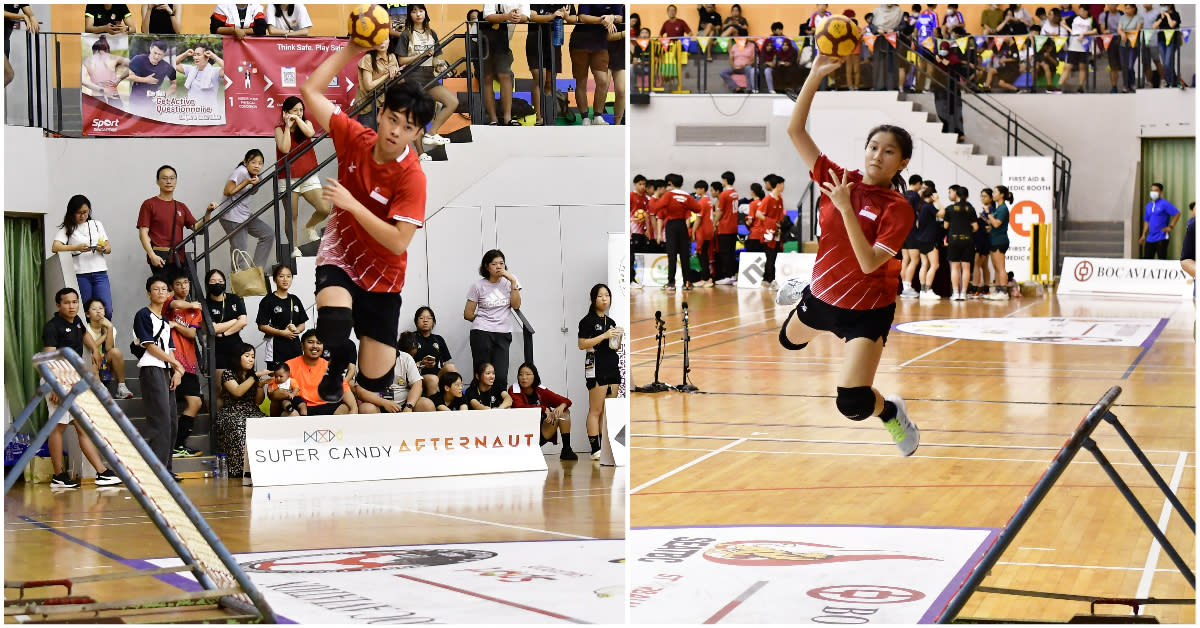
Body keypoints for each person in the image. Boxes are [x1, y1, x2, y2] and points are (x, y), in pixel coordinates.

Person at [773, 52, 920, 457]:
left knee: (852, 403)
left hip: (867, 309)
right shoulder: (842, 181)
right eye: (873, 146)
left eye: (888, 151)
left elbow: (871, 260)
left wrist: (843, 209)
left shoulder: (898, 207)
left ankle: (891, 411)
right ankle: (807, 288)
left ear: (902, 161)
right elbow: (795, 130)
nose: (877, 155)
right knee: (788, 342)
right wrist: (815, 75)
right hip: (823, 297)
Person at [299, 38, 436, 407]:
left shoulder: (412, 177)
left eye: (407, 127)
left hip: (383, 274)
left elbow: (398, 242)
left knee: (377, 379)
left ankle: (353, 361)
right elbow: (309, 90)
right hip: (342, 250)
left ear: (417, 133)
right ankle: (336, 358)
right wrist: (352, 50)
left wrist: (353, 206)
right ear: (380, 114)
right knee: (334, 320)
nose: (395, 131)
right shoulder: (355, 139)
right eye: (392, 119)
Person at [42, 288, 123, 488]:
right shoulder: (52, 327)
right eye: (67, 303)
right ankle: (59, 476)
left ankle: (102, 473)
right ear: (58, 305)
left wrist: (95, 349)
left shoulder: (77, 320)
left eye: (74, 302)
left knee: (83, 427)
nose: (71, 306)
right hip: (58, 380)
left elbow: (85, 333)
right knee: (58, 428)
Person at [134, 276, 184, 481]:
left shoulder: (164, 320)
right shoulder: (143, 315)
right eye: (156, 289)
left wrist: (176, 371)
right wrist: (174, 364)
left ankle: (166, 468)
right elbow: (150, 346)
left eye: (164, 289)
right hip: (151, 369)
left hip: (165, 370)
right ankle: (157, 470)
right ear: (148, 293)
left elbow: (170, 349)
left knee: (172, 421)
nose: (161, 292)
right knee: (160, 420)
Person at [137, 165, 217, 282]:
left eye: (172, 178)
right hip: (160, 258)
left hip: (179, 258)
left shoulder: (181, 206)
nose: (168, 181)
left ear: (176, 181)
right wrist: (152, 255)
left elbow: (197, 229)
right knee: (164, 293)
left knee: (179, 293)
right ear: (157, 181)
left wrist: (208, 213)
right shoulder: (149, 204)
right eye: (164, 178)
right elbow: (143, 233)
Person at [395, 4, 457, 147]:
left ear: (425, 13)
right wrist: (420, 55)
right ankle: (421, 153)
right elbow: (401, 60)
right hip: (411, 75)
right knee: (417, 113)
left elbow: (435, 58)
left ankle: (431, 133)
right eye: (414, 11)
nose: (418, 14)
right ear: (410, 15)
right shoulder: (406, 34)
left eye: (421, 11)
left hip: (429, 75)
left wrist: (439, 65)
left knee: (453, 102)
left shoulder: (432, 33)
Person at [274, 96, 330, 253]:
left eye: (301, 110)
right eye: (295, 110)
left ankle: (310, 226)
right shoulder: (278, 129)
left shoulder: (307, 124)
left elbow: (310, 133)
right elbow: (285, 149)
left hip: (308, 175)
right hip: (287, 177)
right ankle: (294, 248)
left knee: (324, 208)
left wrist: (298, 120)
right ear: (286, 112)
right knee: (292, 215)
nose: (299, 113)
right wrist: (287, 127)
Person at [465, 249, 522, 390]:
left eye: (501, 263)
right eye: (494, 263)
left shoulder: (510, 282)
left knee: (501, 375)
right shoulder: (478, 286)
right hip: (482, 332)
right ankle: (480, 405)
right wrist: (482, 319)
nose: (498, 267)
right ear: (486, 266)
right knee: (483, 373)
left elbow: (516, 305)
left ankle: (500, 406)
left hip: (503, 332)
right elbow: (468, 313)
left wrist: (513, 281)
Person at [52, 195, 114, 320]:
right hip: (81, 274)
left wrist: (103, 248)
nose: (83, 216)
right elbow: (55, 247)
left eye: (85, 212)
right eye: (79, 213)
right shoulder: (68, 228)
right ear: (72, 213)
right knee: (85, 311)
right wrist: (76, 247)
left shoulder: (96, 224)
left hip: (100, 272)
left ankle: (103, 338)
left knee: (106, 310)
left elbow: (108, 247)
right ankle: (87, 339)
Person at [578, 283, 621, 459]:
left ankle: (607, 445)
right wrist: (603, 336)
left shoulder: (610, 322)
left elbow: (614, 347)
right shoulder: (587, 321)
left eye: (607, 296)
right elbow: (582, 344)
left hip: (612, 364)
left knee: (608, 410)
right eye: (601, 296)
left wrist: (618, 336)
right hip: (596, 365)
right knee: (596, 409)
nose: (605, 299)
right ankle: (594, 448)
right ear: (593, 299)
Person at [164, 270, 203, 458]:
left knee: (195, 402)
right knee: (173, 405)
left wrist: (176, 325)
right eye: (178, 283)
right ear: (172, 287)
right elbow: (175, 303)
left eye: (186, 283)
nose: (183, 287)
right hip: (171, 360)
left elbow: (192, 334)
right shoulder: (168, 302)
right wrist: (190, 305)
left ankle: (177, 445)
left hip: (189, 362)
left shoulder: (195, 310)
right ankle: (174, 445)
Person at [217, 343, 269, 483]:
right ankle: (240, 470)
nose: (251, 359)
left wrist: (259, 386)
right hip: (232, 412)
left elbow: (258, 402)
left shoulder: (253, 376)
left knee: (268, 424)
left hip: (252, 411)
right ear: (237, 357)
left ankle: (265, 466)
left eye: (253, 356)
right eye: (247, 356)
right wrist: (255, 377)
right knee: (240, 426)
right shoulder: (228, 374)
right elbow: (238, 392)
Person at [218, 148, 276, 272]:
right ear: (245, 162)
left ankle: (256, 271)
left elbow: (252, 192)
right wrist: (247, 182)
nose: (257, 166)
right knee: (240, 252)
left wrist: (255, 183)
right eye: (253, 162)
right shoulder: (241, 171)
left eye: (260, 163)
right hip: (231, 216)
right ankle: (241, 286)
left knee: (268, 234)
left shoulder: (256, 174)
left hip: (244, 214)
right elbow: (227, 191)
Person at [276, 331, 356, 415]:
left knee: (345, 409)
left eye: (319, 343)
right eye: (310, 342)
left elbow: (345, 391)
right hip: (300, 406)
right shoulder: (288, 366)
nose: (315, 346)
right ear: (302, 345)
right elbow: (275, 392)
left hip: (327, 405)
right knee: (290, 414)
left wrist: (353, 409)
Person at [510, 362, 575, 460]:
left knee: (565, 412)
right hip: (523, 435)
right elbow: (519, 407)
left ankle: (566, 449)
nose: (524, 377)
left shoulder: (540, 390)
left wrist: (562, 406)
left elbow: (566, 401)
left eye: (528, 374)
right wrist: (543, 408)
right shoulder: (513, 389)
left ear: (534, 376)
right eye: (520, 374)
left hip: (542, 431)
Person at [359, 331, 435, 413]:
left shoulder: (406, 358)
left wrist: (409, 406)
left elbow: (417, 384)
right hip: (378, 403)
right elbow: (361, 391)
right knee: (366, 408)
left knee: (427, 404)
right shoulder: (366, 359)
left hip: (404, 403)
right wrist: (385, 403)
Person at [571, 4, 622, 125]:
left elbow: (620, 17)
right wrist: (602, 20)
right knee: (581, 81)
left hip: (600, 44)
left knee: (603, 80)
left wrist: (612, 17)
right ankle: (585, 117)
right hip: (580, 42)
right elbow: (582, 17)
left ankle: (598, 116)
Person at [652, 173, 701, 292]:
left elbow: (656, 206)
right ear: (682, 184)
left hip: (671, 226)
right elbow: (698, 208)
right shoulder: (687, 196)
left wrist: (657, 196)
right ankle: (687, 283)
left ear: (670, 183)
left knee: (672, 255)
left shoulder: (668, 195)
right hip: (682, 226)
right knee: (685, 255)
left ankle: (671, 283)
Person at [526, 5, 573, 126]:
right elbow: (532, 16)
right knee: (539, 79)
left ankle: (549, 116)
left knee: (550, 82)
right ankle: (539, 117)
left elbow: (574, 18)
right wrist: (553, 16)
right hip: (535, 40)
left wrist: (565, 15)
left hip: (554, 41)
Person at [482, 4, 528, 125]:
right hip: (482, 38)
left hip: (503, 40)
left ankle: (508, 118)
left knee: (505, 75)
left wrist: (517, 17)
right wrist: (507, 16)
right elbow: (488, 15)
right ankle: (493, 119)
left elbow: (526, 16)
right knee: (487, 78)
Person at [257, 264, 308, 367]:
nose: (285, 279)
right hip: (276, 347)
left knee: (296, 379)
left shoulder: (295, 299)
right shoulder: (268, 300)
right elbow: (262, 326)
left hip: (295, 347)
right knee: (278, 379)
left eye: (289, 276)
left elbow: (302, 324)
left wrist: (296, 330)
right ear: (275, 279)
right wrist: (282, 333)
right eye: (281, 276)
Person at [83, 298, 134, 399]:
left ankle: (121, 387)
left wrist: (109, 328)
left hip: (103, 362)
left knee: (116, 352)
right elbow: (90, 347)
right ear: (87, 314)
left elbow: (109, 348)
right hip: (90, 361)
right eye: (94, 309)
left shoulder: (110, 328)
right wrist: (104, 336)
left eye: (101, 308)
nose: (98, 311)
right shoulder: (86, 328)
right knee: (93, 359)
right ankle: (100, 389)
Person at [203, 269, 249, 376]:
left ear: (225, 283)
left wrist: (224, 333)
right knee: (220, 385)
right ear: (207, 284)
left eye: (220, 281)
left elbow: (243, 321)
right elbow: (213, 329)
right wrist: (234, 321)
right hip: (217, 349)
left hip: (236, 346)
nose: (217, 284)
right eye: (213, 281)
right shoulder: (205, 304)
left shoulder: (234, 298)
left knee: (239, 380)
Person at [353, 39, 401, 130]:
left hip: (386, 105)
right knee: (366, 140)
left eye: (385, 39)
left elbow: (396, 82)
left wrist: (396, 73)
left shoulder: (392, 57)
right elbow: (369, 86)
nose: (382, 42)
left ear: (389, 41)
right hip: (368, 106)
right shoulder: (368, 58)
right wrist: (387, 74)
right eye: (379, 39)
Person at [943, 185, 977, 301]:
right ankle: (964, 293)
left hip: (954, 240)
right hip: (967, 241)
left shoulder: (950, 209)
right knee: (966, 268)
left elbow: (945, 226)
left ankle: (956, 293)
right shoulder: (970, 208)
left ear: (956, 194)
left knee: (955, 268)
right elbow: (976, 227)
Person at [413, 306, 454, 396]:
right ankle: (437, 406)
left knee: (451, 367)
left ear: (433, 321)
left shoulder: (438, 339)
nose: (425, 320)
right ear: (416, 321)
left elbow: (446, 363)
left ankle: (458, 403)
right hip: (418, 377)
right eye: (421, 318)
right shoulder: (411, 338)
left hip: (438, 375)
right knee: (433, 379)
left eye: (429, 318)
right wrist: (421, 363)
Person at [126, 39, 177, 112]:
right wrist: (145, 80)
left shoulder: (166, 66)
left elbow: (174, 84)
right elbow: (129, 75)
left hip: (154, 104)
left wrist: (164, 96)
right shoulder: (138, 59)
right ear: (150, 49)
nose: (156, 56)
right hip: (136, 101)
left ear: (164, 54)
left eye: (160, 54)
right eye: (155, 53)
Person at [81, 35, 130, 107]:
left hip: (97, 97)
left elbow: (82, 80)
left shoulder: (87, 61)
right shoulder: (114, 58)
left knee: (97, 118)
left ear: (94, 50)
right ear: (107, 49)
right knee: (117, 118)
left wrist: (102, 90)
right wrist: (119, 79)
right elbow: (135, 65)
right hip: (113, 94)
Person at [173, 43, 223, 109]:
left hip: (209, 113)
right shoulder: (191, 70)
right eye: (194, 55)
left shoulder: (215, 72)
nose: (195, 57)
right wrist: (185, 54)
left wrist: (213, 56)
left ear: (207, 57)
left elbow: (228, 69)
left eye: (198, 55)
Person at [913, 185, 941, 300]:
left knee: (924, 264)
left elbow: (917, 224)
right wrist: (938, 201)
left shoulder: (920, 206)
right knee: (935, 265)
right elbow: (942, 213)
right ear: (932, 195)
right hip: (929, 239)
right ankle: (928, 290)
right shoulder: (929, 206)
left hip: (920, 239)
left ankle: (923, 290)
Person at [1061, 4, 1096, 93]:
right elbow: (1062, 22)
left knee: (1082, 67)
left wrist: (1084, 34)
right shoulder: (1074, 18)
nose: (1081, 12)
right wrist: (1070, 31)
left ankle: (1081, 86)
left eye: (1083, 11)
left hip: (1084, 46)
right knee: (1068, 66)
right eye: (1080, 10)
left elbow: (1095, 30)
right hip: (1073, 46)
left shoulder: (1091, 19)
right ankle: (1060, 85)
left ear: (1087, 11)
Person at [984, 184, 1011, 300]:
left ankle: (1004, 292)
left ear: (1002, 195)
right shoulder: (999, 208)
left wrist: (988, 214)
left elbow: (996, 223)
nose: (993, 195)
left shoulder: (1003, 208)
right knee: (996, 267)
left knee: (1000, 267)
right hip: (994, 239)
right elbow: (994, 225)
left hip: (1000, 240)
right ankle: (998, 289)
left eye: (995, 193)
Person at [1140, 182, 1180, 260]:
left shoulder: (1164, 204)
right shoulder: (1148, 205)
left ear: (1160, 192)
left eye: (1156, 191)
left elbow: (1177, 214)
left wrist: (1170, 227)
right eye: (1152, 191)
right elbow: (1146, 221)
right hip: (1150, 238)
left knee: (1162, 260)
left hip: (1161, 237)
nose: (1153, 193)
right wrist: (1143, 235)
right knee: (1147, 260)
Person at [714, 171, 740, 285]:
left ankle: (728, 275)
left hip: (725, 227)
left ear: (725, 180)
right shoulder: (735, 193)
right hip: (733, 226)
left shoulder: (724, 194)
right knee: (731, 252)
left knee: (725, 253)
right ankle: (733, 275)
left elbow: (720, 211)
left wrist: (715, 223)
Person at [899, 174, 922, 298]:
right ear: (918, 183)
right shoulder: (915, 195)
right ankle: (907, 287)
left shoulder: (903, 194)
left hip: (902, 232)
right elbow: (919, 212)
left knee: (906, 259)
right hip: (912, 231)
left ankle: (904, 286)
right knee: (914, 259)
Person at [971, 188, 995, 298]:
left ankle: (975, 290)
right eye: (981, 196)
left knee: (977, 264)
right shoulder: (986, 209)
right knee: (984, 265)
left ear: (991, 198)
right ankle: (986, 289)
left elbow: (991, 225)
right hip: (985, 239)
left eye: (985, 196)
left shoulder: (991, 210)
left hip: (983, 240)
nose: (982, 198)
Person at [690, 180, 715, 288]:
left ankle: (706, 278)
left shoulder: (701, 202)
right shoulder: (709, 201)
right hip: (709, 230)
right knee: (704, 254)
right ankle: (706, 278)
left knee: (702, 255)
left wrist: (693, 231)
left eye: (697, 189)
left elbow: (698, 219)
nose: (696, 191)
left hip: (703, 231)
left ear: (702, 189)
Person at [5, 5, 37, 87]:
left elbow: (26, 7)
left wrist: (31, 16)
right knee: (8, 74)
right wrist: (22, 16)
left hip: (5, 39)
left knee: (6, 75)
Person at [762, 22, 798, 94]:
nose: (780, 31)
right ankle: (773, 90)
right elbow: (765, 52)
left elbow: (796, 50)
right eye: (777, 29)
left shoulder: (787, 40)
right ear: (774, 31)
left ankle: (787, 90)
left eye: (781, 29)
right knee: (769, 70)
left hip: (785, 63)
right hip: (774, 63)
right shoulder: (769, 40)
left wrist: (791, 62)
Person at [1153, 5, 1181, 88]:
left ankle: (1173, 81)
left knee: (1168, 62)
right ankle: (1171, 81)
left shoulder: (1176, 14)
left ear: (1170, 5)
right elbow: (1154, 27)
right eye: (1162, 6)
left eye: (1165, 6)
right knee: (1165, 64)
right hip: (1161, 41)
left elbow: (1172, 25)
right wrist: (1161, 18)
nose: (1163, 8)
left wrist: (1168, 15)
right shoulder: (1159, 16)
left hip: (1172, 41)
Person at [1117, 4, 1141, 93]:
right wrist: (1122, 33)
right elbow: (1119, 29)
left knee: (1130, 65)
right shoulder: (1122, 18)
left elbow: (1137, 29)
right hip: (1123, 44)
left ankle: (1132, 83)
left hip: (1134, 44)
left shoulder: (1138, 17)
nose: (1127, 10)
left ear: (1134, 8)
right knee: (1124, 65)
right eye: (1125, 8)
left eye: (1128, 8)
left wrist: (1125, 31)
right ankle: (1125, 85)